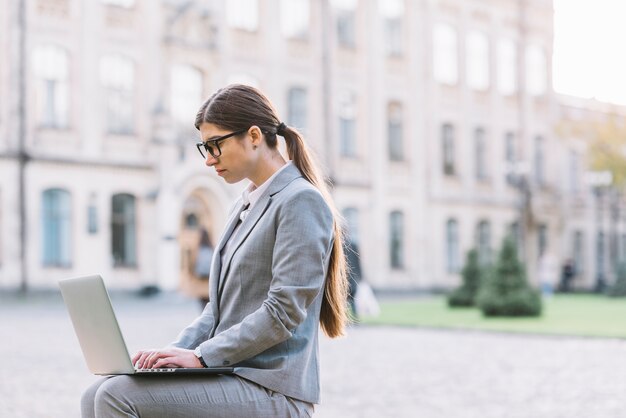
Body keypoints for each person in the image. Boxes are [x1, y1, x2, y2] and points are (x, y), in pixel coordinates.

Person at [81, 84, 349, 417]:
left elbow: (283, 312)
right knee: (95, 394)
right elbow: (216, 311)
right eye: (203, 148)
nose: (208, 160)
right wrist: (170, 354)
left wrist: (201, 357)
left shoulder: (300, 201)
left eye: (215, 146)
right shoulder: (243, 204)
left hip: (273, 388)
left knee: (116, 397)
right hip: (231, 374)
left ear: (253, 136)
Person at [193, 228, 214, 310]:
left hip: (201, 278)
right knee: (209, 300)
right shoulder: (211, 248)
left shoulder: (198, 250)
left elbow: (194, 264)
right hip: (210, 279)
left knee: (202, 302)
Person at [344, 239, 362, 319]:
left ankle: (347, 319)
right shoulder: (353, 245)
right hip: (352, 278)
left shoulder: (342, 246)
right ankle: (354, 318)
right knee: (351, 300)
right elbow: (358, 263)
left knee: (346, 300)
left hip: (347, 278)